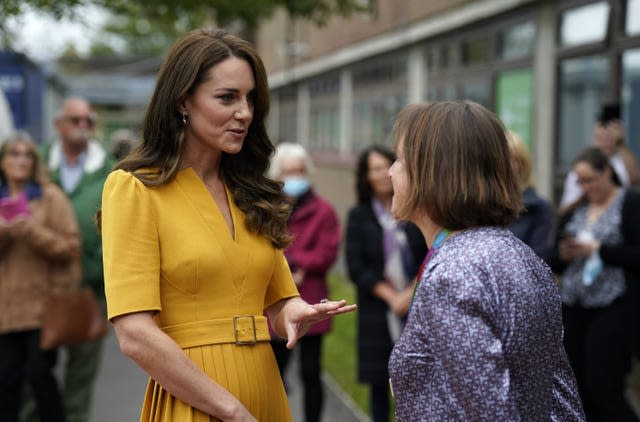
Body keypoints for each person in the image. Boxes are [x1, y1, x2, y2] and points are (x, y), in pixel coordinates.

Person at [100, 28, 356, 422]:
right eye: (227, 97)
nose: (246, 112)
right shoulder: (133, 189)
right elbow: (134, 335)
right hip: (197, 400)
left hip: (265, 392)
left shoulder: (251, 193)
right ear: (183, 100)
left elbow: (277, 300)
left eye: (250, 98)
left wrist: (293, 313)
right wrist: (231, 410)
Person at [386, 101, 585, 421]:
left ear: (432, 173)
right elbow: (559, 400)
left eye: (399, 159)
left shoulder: (453, 275)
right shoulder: (521, 256)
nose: (390, 171)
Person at [548, 147, 640, 422]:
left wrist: (599, 250)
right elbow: (552, 258)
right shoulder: (575, 210)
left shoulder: (630, 204)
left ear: (607, 173)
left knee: (603, 381)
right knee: (576, 384)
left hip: (614, 304)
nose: (586, 187)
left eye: (591, 179)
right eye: (581, 181)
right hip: (575, 304)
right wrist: (564, 254)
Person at [36, 97, 113, 422]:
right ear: (59, 124)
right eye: (75, 120)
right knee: (33, 378)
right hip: (39, 291)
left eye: (88, 121)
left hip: (90, 291)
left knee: (80, 379)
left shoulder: (108, 171)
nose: (83, 126)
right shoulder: (36, 165)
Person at [0, 131, 81, 422]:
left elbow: (70, 248)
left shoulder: (51, 197)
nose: (21, 160)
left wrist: (33, 233)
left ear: (35, 162)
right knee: (6, 382)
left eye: (27, 155)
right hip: (5, 312)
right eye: (14, 154)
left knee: (40, 375)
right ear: (3, 161)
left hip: (43, 308)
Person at [345, 145, 426, 422]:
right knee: (380, 386)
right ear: (365, 176)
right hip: (377, 312)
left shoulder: (415, 212)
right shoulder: (359, 216)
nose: (381, 174)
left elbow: (431, 253)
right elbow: (356, 267)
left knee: (417, 384)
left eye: (385, 166)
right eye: (374, 169)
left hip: (417, 307)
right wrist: (392, 297)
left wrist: (410, 292)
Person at [267, 142, 341, 422]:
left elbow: (327, 251)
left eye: (299, 170)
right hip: (274, 303)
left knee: (311, 373)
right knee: (274, 373)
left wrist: (298, 265)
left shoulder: (323, 211)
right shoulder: (267, 208)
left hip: (312, 298)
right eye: (288, 171)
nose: (294, 176)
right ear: (277, 174)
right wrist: (289, 269)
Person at [560, 103, 640, 208]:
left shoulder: (620, 161)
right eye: (599, 138)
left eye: (608, 138)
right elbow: (568, 204)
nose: (603, 143)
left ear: (608, 172)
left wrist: (620, 143)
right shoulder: (582, 167)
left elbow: (635, 177)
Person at [505, 131, 554, 260]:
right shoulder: (480, 203)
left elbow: (538, 258)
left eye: (508, 160)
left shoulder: (538, 208)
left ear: (520, 165)